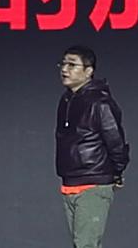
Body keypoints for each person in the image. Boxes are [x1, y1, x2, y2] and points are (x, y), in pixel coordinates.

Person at [55, 44, 129, 248]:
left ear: (88, 71)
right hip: (70, 182)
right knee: (82, 244)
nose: (65, 69)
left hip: (93, 183)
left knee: (85, 245)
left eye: (72, 65)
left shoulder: (100, 103)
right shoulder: (66, 99)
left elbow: (116, 142)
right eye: (63, 64)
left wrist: (117, 172)